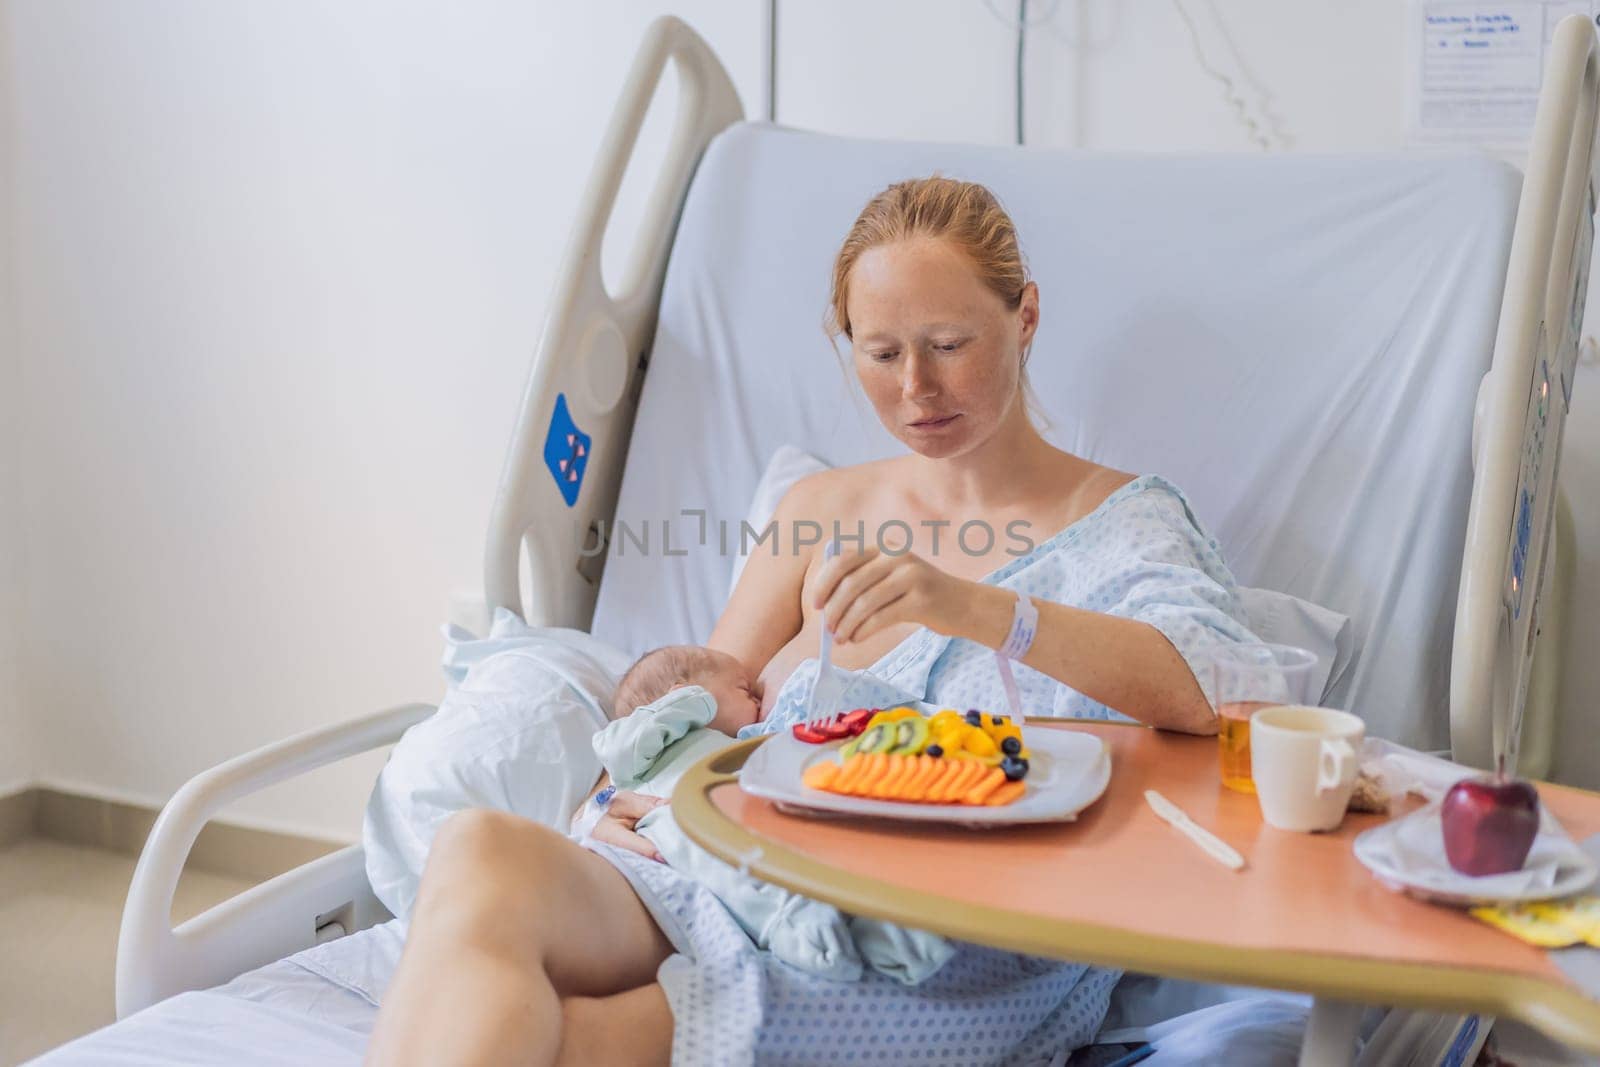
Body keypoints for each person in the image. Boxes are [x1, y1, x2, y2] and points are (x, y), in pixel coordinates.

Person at [365, 177, 1262, 1066]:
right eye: (880, 353)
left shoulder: (1124, 521)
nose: (917, 387)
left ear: (1024, 318)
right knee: (480, 850)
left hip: (938, 943)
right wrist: (620, 796)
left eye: (949, 344)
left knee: (583, 1040)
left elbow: (1219, 690)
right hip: (734, 868)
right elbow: (703, 701)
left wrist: (972, 607)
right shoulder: (818, 510)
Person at [580, 645, 954, 985]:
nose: (759, 702)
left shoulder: (732, 745)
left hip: (736, 822)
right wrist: (691, 703)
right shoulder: (650, 745)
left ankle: (895, 937)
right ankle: (805, 928)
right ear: (682, 692)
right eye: (745, 691)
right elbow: (614, 752)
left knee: (795, 860)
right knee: (738, 877)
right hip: (674, 825)